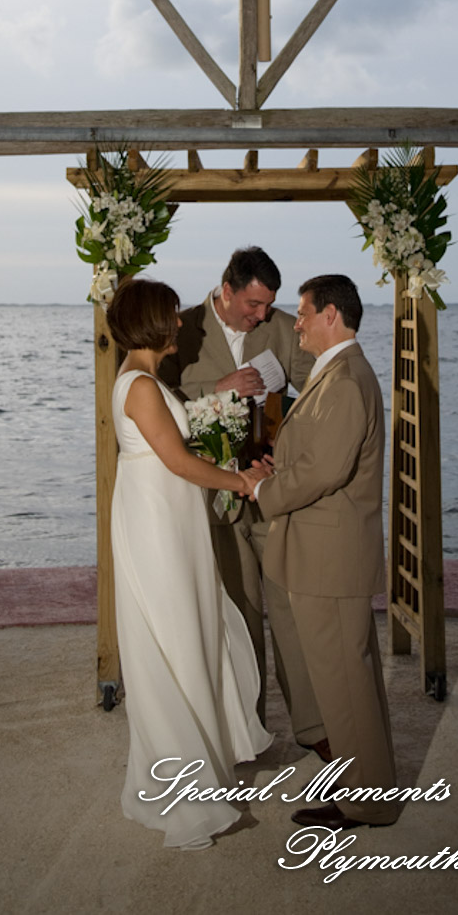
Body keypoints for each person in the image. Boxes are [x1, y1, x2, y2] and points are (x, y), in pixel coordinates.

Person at [107, 276, 272, 850]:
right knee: (173, 643)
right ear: (152, 320)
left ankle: (200, 765)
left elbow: (180, 452)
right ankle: (183, 794)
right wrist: (242, 483)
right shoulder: (142, 386)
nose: (180, 323)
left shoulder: (145, 380)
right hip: (158, 527)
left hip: (169, 521)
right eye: (172, 316)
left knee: (194, 634)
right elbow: (177, 462)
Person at [159, 247, 327, 756]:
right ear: (226, 290)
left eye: (269, 305)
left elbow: (319, 392)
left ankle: (316, 729)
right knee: (238, 618)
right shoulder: (181, 329)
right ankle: (246, 732)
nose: (262, 316)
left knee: (293, 611)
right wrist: (221, 388)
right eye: (253, 305)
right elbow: (158, 410)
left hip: (272, 492)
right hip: (210, 498)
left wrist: (288, 440)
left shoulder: (279, 326)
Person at [246, 274, 399, 830]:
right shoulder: (334, 374)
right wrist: (279, 468)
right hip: (325, 550)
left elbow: (326, 470)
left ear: (331, 315)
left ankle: (367, 804)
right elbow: (314, 457)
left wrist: (263, 489)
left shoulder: (345, 380)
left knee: (345, 683)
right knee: (349, 680)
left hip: (330, 558)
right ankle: (372, 789)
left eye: (305, 313)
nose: (298, 324)